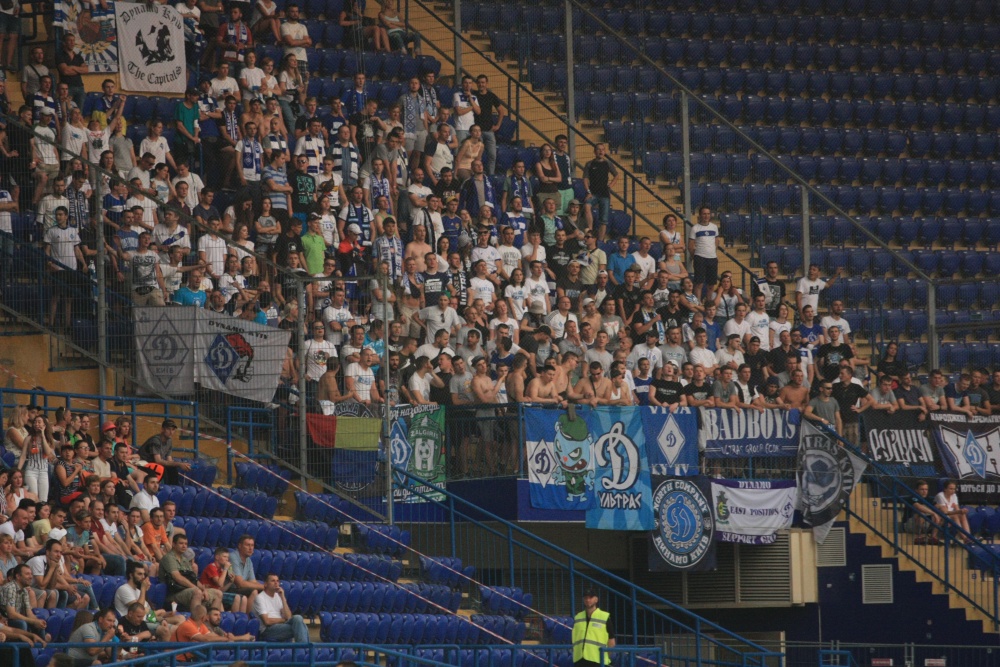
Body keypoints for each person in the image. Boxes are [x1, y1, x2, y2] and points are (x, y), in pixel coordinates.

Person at [253, 573, 309, 643]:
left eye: (277, 581)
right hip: (268, 629)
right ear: (266, 584)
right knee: (302, 628)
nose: (276, 583)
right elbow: (267, 622)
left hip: (281, 625)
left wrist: (283, 597)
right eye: (273, 581)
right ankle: (304, 648)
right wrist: (283, 620)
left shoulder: (278, 596)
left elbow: (288, 617)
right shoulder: (260, 598)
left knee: (298, 618)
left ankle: (303, 647)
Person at [572, 589, 615, 667]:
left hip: (598, 660)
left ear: (596, 599)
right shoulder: (578, 617)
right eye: (586, 598)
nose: (588, 600)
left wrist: (606, 656)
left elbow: (611, 641)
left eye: (591, 597)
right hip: (580, 660)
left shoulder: (604, 617)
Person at [903, 480, 941, 545]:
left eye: (926, 489)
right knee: (921, 515)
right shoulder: (912, 498)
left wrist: (943, 508)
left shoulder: (928, 499)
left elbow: (937, 506)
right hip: (909, 524)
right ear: (916, 490)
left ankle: (933, 538)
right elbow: (918, 506)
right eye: (922, 489)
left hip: (925, 524)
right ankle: (919, 537)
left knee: (941, 516)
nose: (924, 491)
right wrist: (933, 513)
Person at [934, 481, 971, 545]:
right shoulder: (940, 495)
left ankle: (968, 537)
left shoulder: (954, 496)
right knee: (955, 516)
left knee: (962, 515)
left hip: (950, 515)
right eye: (951, 489)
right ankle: (965, 538)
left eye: (954, 489)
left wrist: (961, 511)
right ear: (945, 489)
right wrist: (959, 511)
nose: (953, 491)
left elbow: (957, 509)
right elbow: (945, 512)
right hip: (941, 516)